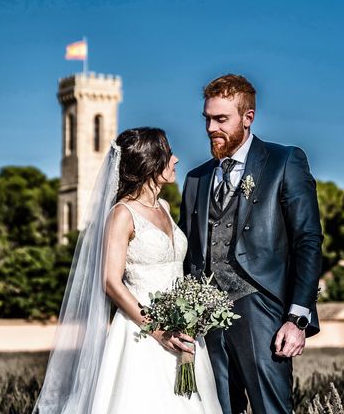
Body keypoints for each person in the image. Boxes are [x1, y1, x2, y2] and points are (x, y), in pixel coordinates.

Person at [34, 128, 222, 414]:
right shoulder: (122, 214)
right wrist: (158, 330)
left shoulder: (165, 206)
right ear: (150, 162)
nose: (176, 159)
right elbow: (110, 280)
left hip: (183, 330)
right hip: (142, 333)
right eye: (168, 154)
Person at [179, 74, 323, 414]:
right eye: (208, 119)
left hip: (264, 314)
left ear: (248, 117)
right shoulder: (195, 178)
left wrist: (298, 318)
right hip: (205, 320)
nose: (211, 127)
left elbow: (307, 240)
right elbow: (187, 254)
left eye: (221, 119)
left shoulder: (284, 161)